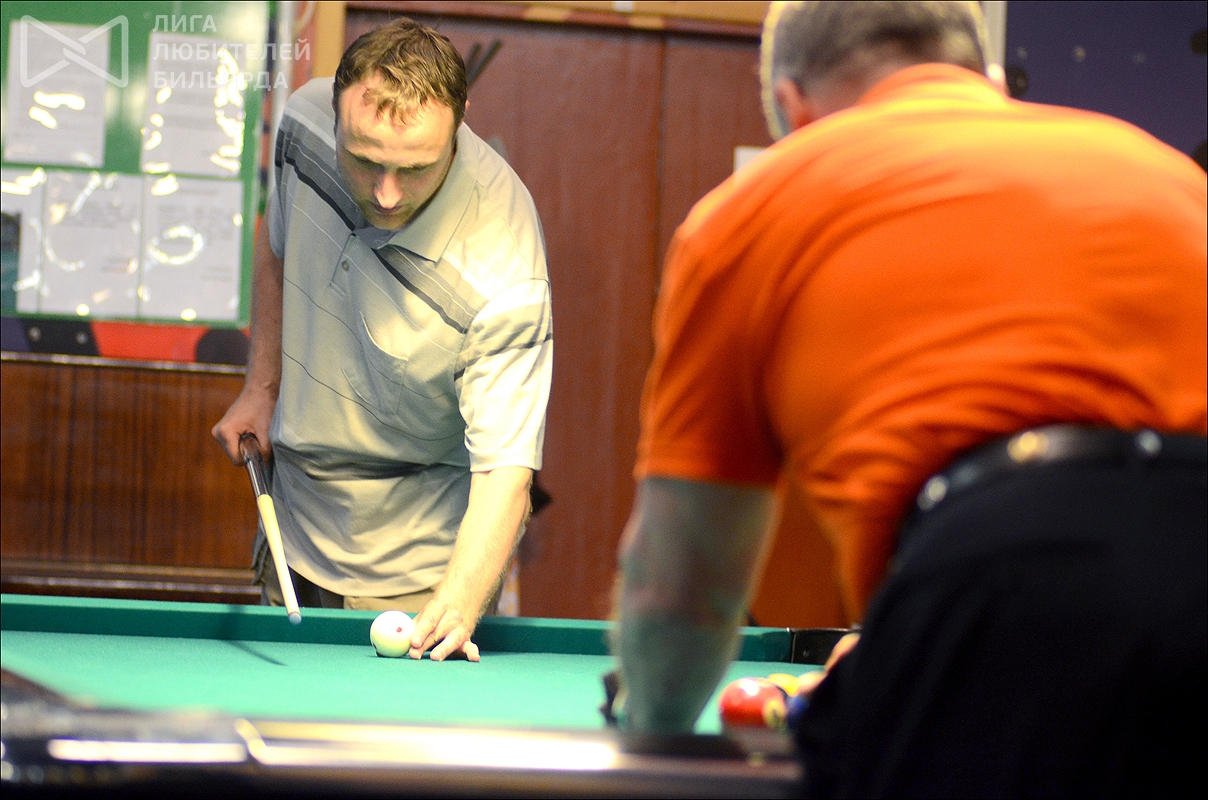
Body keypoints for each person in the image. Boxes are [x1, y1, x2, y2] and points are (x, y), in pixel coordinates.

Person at [612, 1, 1206, 795]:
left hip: (993, 587)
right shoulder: (1162, 170)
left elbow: (684, 581)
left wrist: (648, 741)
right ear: (985, 77)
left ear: (793, 107)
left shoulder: (751, 210)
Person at [213, 17, 552, 662]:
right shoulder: (305, 121)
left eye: (416, 168)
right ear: (336, 115)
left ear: (460, 124)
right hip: (292, 530)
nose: (388, 194)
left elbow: (505, 472)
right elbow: (276, 242)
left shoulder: (504, 266)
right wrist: (262, 386)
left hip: (414, 577)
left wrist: (457, 602)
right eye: (365, 161)